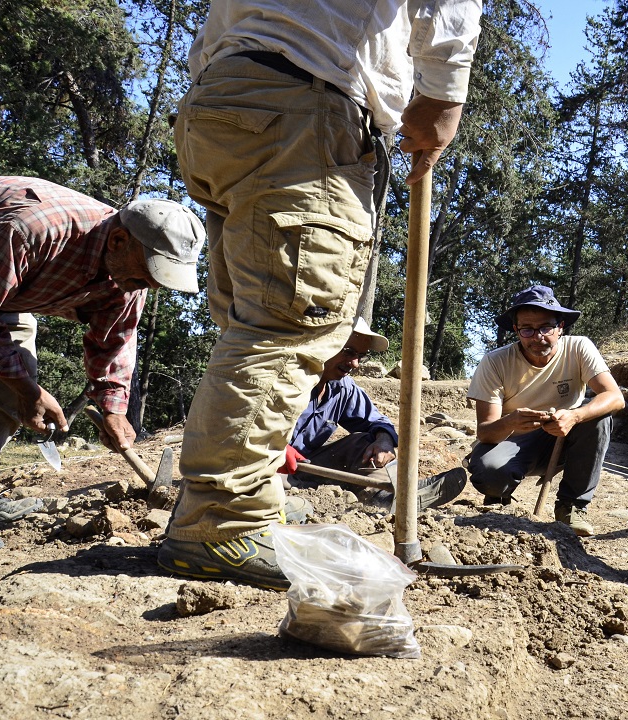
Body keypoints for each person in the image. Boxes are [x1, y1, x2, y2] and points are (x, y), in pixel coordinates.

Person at [161, 0, 483, 590]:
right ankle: (220, 524)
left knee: (250, 323)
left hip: (220, 102)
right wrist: (441, 98)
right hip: (304, 105)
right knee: (287, 325)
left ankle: (249, 500)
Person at [0, 176, 205, 562]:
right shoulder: (32, 228)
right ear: (118, 241)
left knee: (10, 380)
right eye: (143, 274)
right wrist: (29, 392)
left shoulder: (130, 275)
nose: (143, 286)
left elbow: (115, 340)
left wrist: (114, 409)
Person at [466, 285, 626, 537]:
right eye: (527, 329)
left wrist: (574, 415)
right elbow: (485, 432)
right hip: (513, 441)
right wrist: (511, 421)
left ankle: (571, 506)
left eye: (545, 328)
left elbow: (615, 397)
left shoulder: (579, 348)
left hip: (565, 438)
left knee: (597, 416)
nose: (537, 337)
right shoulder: (495, 362)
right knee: (490, 473)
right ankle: (499, 496)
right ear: (516, 330)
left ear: (560, 327)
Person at [276, 317, 467, 508]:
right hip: (261, 465)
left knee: (366, 441)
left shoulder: (343, 388)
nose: (355, 363)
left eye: (361, 355)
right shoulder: (285, 377)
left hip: (303, 466)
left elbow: (377, 421)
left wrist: (383, 439)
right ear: (326, 342)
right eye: (349, 352)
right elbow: (247, 423)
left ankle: (386, 496)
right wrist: (276, 448)